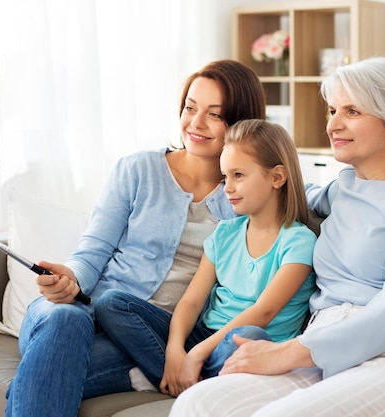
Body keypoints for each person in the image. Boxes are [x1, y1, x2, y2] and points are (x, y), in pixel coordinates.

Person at [168, 56, 385, 417]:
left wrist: (286, 352)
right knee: (199, 403)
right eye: (332, 110)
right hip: (324, 347)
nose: (333, 124)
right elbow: (278, 191)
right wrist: (217, 172)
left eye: (352, 111)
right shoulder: (343, 189)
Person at [4, 59, 267, 417]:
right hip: (80, 313)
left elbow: (299, 192)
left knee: (43, 377)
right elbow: (93, 250)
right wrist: (71, 279)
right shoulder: (138, 170)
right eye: (190, 108)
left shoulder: (246, 196)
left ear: (241, 123)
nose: (196, 123)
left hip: (150, 337)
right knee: (67, 319)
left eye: (215, 114)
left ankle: (137, 370)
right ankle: (145, 372)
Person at [94, 119, 317, 398]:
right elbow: (191, 300)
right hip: (205, 335)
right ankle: (177, 374)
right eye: (225, 177)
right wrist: (176, 351)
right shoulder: (225, 233)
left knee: (249, 336)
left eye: (239, 175)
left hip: (244, 346)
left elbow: (264, 312)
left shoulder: (299, 241)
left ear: (276, 177)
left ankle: (177, 378)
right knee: (111, 302)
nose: (227, 188)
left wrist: (196, 353)